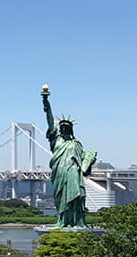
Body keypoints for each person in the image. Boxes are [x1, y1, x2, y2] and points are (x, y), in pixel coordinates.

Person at [41, 86, 97, 228]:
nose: (64, 127)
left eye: (67, 126)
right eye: (62, 126)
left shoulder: (76, 143)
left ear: (71, 129)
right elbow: (50, 120)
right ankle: (62, 221)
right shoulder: (56, 139)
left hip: (73, 171)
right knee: (60, 197)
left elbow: (84, 160)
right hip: (59, 171)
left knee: (76, 195)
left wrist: (91, 160)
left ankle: (76, 222)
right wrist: (46, 102)